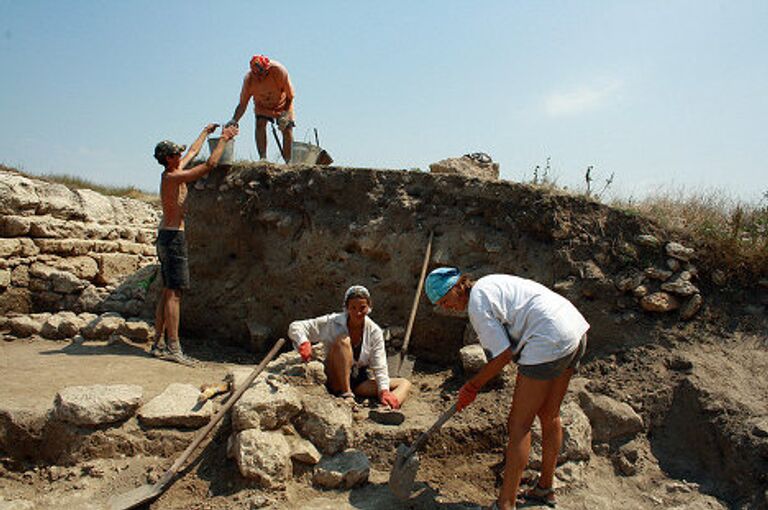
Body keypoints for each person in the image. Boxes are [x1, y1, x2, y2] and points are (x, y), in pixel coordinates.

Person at [425, 267, 589, 510]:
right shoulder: (490, 284)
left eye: (446, 300)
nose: (446, 307)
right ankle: (545, 489)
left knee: (519, 425)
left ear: (459, 286)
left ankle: (505, 504)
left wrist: (472, 386)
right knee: (549, 414)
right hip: (573, 329)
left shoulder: (478, 305)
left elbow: (502, 356)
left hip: (548, 338)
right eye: (440, 304)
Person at [149, 123, 239, 365]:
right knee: (174, 294)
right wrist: (224, 139)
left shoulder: (174, 168)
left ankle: (157, 343)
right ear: (168, 159)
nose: (181, 154)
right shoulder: (173, 176)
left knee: (167, 291)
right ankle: (174, 347)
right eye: (176, 153)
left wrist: (205, 132)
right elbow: (209, 165)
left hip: (167, 236)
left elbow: (192, 152)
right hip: (172, 238)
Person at [287, 285, 412, 424]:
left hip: (358, 380)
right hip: (334, 376)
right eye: (353, 308)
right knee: (343, 341)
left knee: (404, 383)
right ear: (347, 307)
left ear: (369, 307)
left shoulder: (374, 331)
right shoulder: (332, 322)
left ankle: (387, 409)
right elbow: (296, 326)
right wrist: (303, 342)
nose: (358, 313)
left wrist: (384, 391)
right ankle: (347, 395)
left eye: (362, 308)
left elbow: (380, 364)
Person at [226, 54, 295, 163]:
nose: (261, 77)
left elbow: (290, 96)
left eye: (263, 73)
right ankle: (263, 158)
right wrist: (234, 120)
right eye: (257, 74)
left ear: (267, 68)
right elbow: (242, 104)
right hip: (262, 105)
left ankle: (288, 161)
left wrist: (285, 114)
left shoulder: (279, 71)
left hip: (282, 103)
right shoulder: (249, 80)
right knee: (260, 124)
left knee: (287, 129)